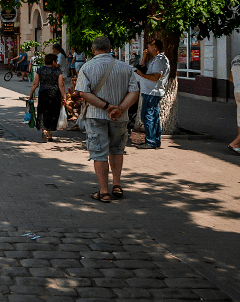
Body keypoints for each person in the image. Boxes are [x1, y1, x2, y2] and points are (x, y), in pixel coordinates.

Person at [74, 36, 140, 203]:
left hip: (96, 116)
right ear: (110, 48)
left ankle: (104, 191)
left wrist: (106, 107)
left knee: (99, 152)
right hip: (120, 117)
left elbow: (83, 93)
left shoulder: (86, 68)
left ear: (92, 49)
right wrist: (119, 109)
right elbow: (134, 92)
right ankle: (116, 185)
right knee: (117, 149)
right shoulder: (125, 68)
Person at [134, 39, 170, 150]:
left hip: (152, 92)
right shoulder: (154, 59)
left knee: (147, 116)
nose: (147, 49)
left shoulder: (160, 60)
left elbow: (155, 77)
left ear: (155, 48)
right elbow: (143, 68)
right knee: (153, 116)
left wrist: (141, 75)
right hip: (149, 91)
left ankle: (150, 141)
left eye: (149, 47)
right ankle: (155, 141)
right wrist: (144, 57)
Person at [28, 53, 66, 143]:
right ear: (53, 61)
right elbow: (61, 85)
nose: (57, 62)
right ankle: (50, 135)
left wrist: (31, 94)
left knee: (42, 112)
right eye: (56, 61)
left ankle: (44, 130)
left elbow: (35, 83)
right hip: (54, 95)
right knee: (53, 113)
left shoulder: (40, 70)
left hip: (43, 93)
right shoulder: (58, 71)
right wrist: (64, 96)